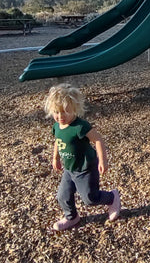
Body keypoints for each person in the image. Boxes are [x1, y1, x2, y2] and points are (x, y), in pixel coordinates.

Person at [44, 83, 121, 231]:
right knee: (62, 196)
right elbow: (58, 141)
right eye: (56, 112)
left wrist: (103, 160)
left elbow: (98, 139)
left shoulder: (80, 127)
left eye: (65, 112)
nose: (60, 116)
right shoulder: (57, 126)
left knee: (90, 199)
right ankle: (71, 217)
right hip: (69, 169)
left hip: (86, 168)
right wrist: (55, 158)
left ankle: (112, 197)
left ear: (75, 109)